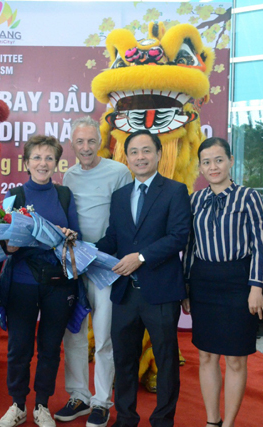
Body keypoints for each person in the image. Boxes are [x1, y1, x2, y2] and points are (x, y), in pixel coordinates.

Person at [96, 130, 191, 427]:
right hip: (125, 293)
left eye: (146, 151)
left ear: (159, 154)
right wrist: (85, 249)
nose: (140, 157)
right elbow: (114, 237)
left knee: (165, 360)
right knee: (124, 360)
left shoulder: (175, 191)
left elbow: (179, 236)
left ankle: (163, 419)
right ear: (127, 157)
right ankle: (125, 418)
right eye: (134, 152)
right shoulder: (120, 195)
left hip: (161, 291)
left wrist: (140, 257)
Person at [182, 137, 263, 427]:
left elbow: (261, 244)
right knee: (206, 355)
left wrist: (256, 286)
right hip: (203, 282)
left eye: (218, 159)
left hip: (238, 282)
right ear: (200, 167)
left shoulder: (248, 197)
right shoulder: (194, 200)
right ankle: (212, 421)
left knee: (235, 358)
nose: (213, 166)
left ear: (231, 161)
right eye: (206, 162)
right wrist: (185, 287)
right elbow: (189, 247)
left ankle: (229, 423)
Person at [0, 135, 81, 427]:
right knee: (19, 347)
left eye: (49, 158)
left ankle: (42, 405)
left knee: (50, 347)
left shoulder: (64, 194)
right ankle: (17, 405)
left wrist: (68, 235)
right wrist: (11, 246)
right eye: (37, 157)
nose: (43, 163)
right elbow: (2, 244)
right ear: (26, 162)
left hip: (59, 282)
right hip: (22, 282)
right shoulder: (15, 196)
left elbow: (76, 234)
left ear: (56, 163)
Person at [56, 117, 132, 427]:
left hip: (105, 266)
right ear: (71, 145)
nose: (85, 147)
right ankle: (79, 396)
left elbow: (126, 219)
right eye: (80, 142)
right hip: (75, 265)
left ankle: (102, 401)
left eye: (91, 141)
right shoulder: (68, 176)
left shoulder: (119, 172)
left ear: (99, 142)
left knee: (103, 336)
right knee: (73, 332)